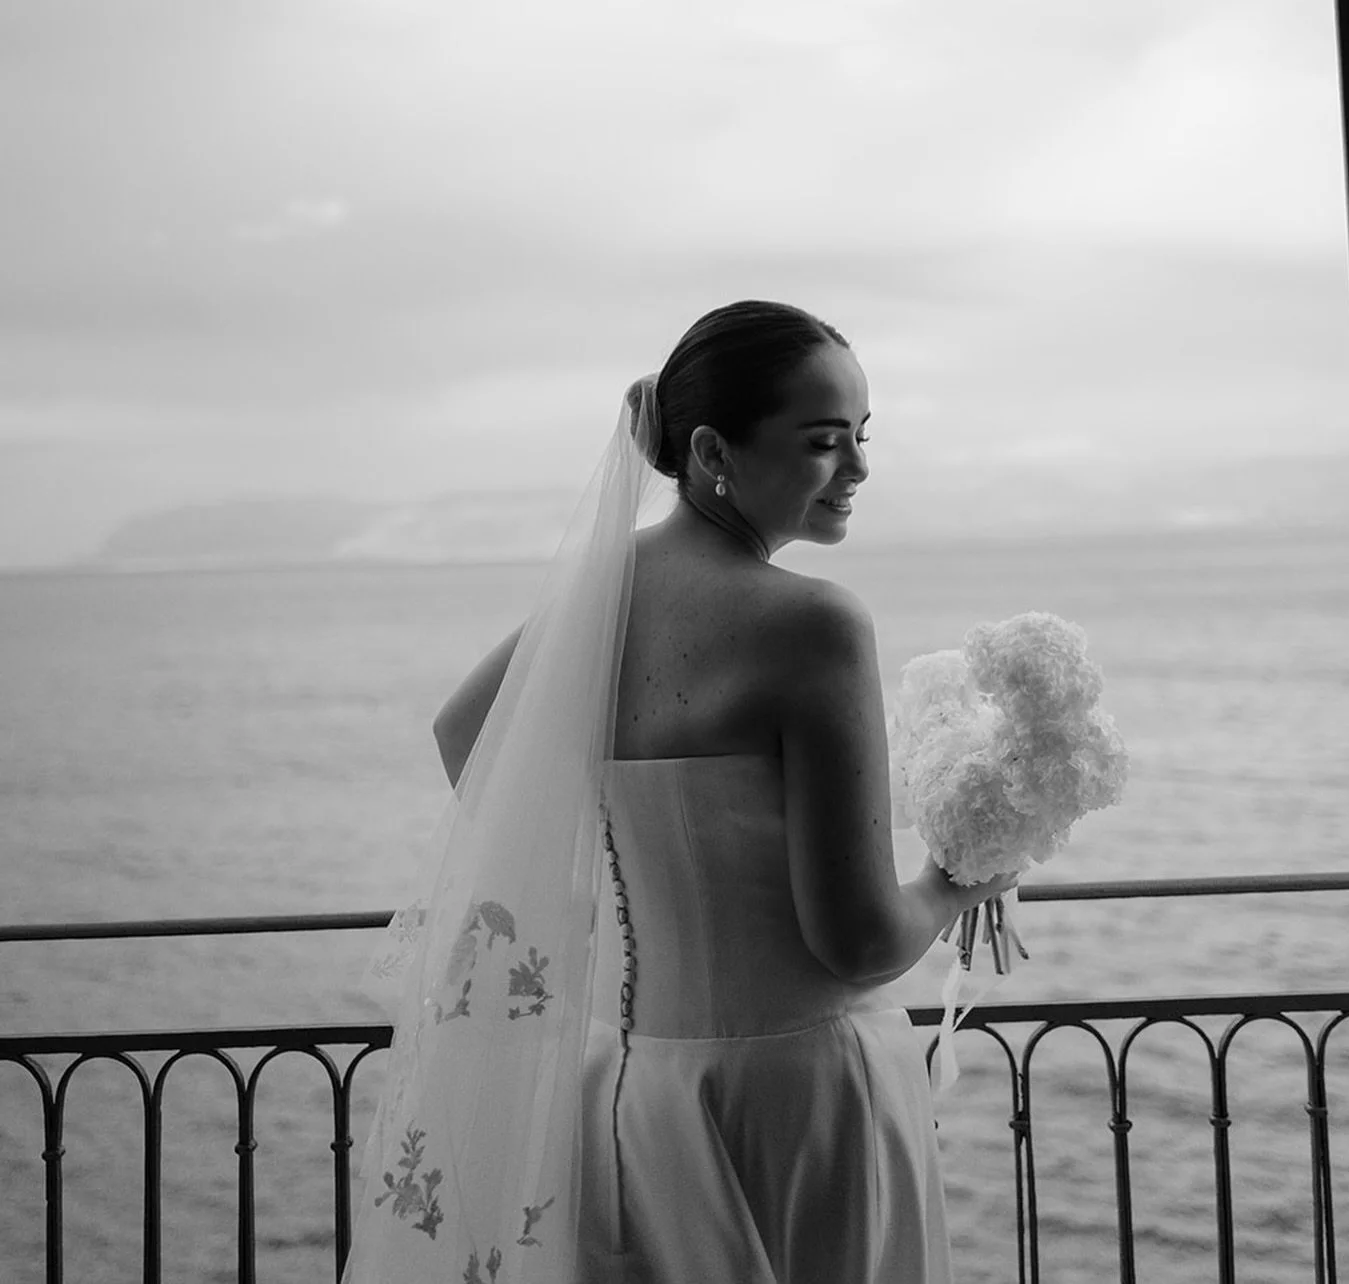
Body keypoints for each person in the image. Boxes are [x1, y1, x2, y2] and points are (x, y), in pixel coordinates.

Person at [344, 301, 1010, 1284]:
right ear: (711, 450)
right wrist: (963, 874)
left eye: (862, 437)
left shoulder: (601, 600)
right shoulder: (814, 623)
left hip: (628, 1088)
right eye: (825, 441)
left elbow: (465, 738)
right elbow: (860, 940)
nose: (859, 467)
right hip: (799, 1099)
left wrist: (593, 892)